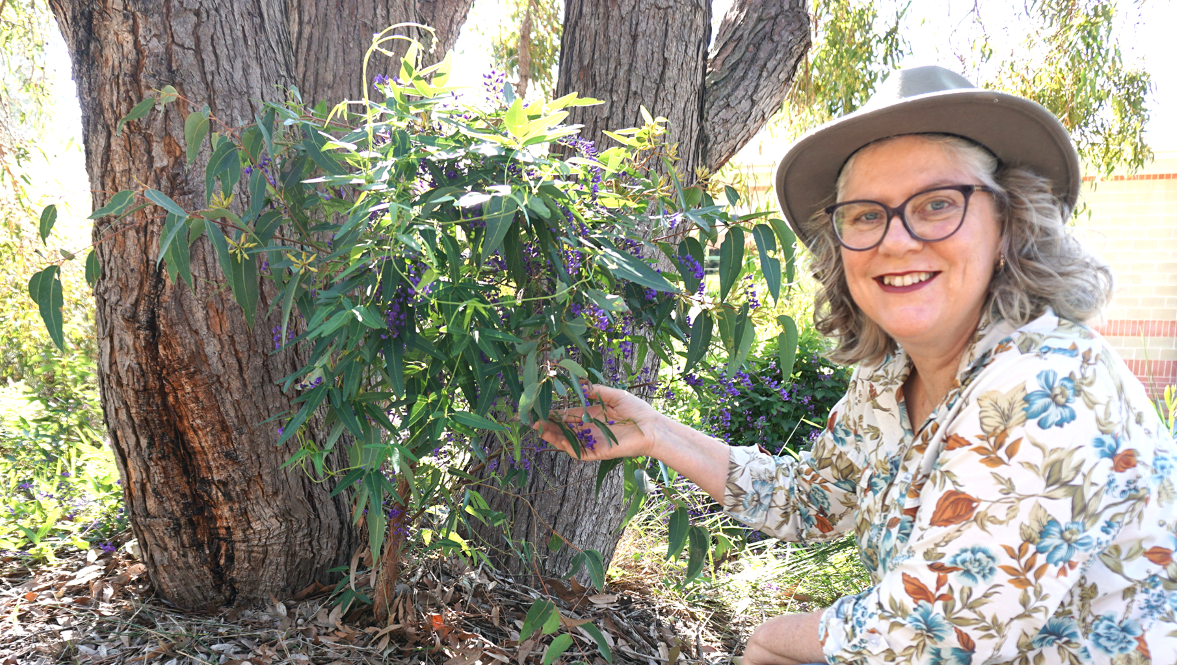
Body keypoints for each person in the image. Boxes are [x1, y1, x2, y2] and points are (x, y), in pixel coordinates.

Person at [533, 66, 1177, 665]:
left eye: (936, 204)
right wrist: (657, 432)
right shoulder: (888, 379)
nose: (896, 240)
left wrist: (769, 641)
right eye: (866, 215)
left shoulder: (1051, 380)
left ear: (1008, 226)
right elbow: (811, 499)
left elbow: (932, 635)